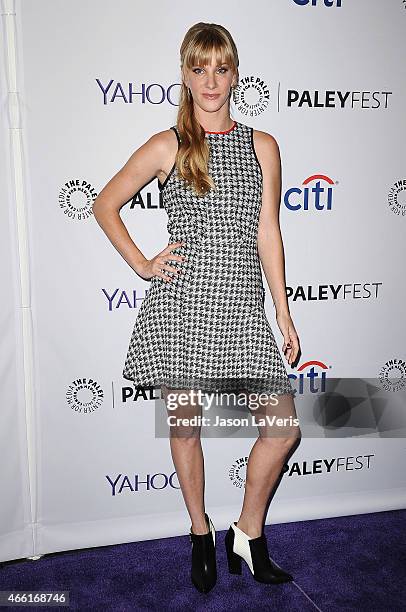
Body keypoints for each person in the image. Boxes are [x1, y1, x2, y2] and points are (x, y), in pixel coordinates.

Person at [93, 22, 302, 594]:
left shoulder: (263, 145)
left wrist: (282, 311)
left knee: (282, 428)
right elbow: (105, 203)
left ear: (235, 74)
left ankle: (248, 533)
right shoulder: (169, 144)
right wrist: (141, 264)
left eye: (222, 68)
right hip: (182, 305)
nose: (211, 80)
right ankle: (199, 530)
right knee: (186, 428)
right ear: (185, 75)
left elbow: (268, 232)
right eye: (199, 68)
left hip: (241, 305)